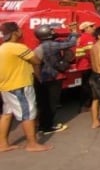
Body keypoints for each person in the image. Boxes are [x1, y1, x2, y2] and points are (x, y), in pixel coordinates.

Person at [0, 22, 51, 152]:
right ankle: (32, 144)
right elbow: (36, 60)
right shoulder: (18, 47)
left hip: (7, 86)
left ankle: (3, 144)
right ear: (15, 32)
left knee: (7, 114)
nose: (21, 31)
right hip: (20, 85)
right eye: (19, 29)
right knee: (27, 114)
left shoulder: (3, 47)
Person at [33, 23, 78, 134]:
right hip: (52, 77)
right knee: (52, 103)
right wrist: (73, 32)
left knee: (43, 103)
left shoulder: (41, 46)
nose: (54, 32)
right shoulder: (50, 45)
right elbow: (72, 43)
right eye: (52, 31)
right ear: (47, 34)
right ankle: (47, 127)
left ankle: (42, 125)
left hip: (42, 78)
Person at [75, 21, 96, 111]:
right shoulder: (88, 38)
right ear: (86, 29)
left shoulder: (83, 37)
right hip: (87, 65)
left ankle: (85, 104)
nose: (93, 27)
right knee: (87, 86)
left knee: (85, 85)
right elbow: (90, 53)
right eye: (92, 26)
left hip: (83, 64)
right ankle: (86, 104)